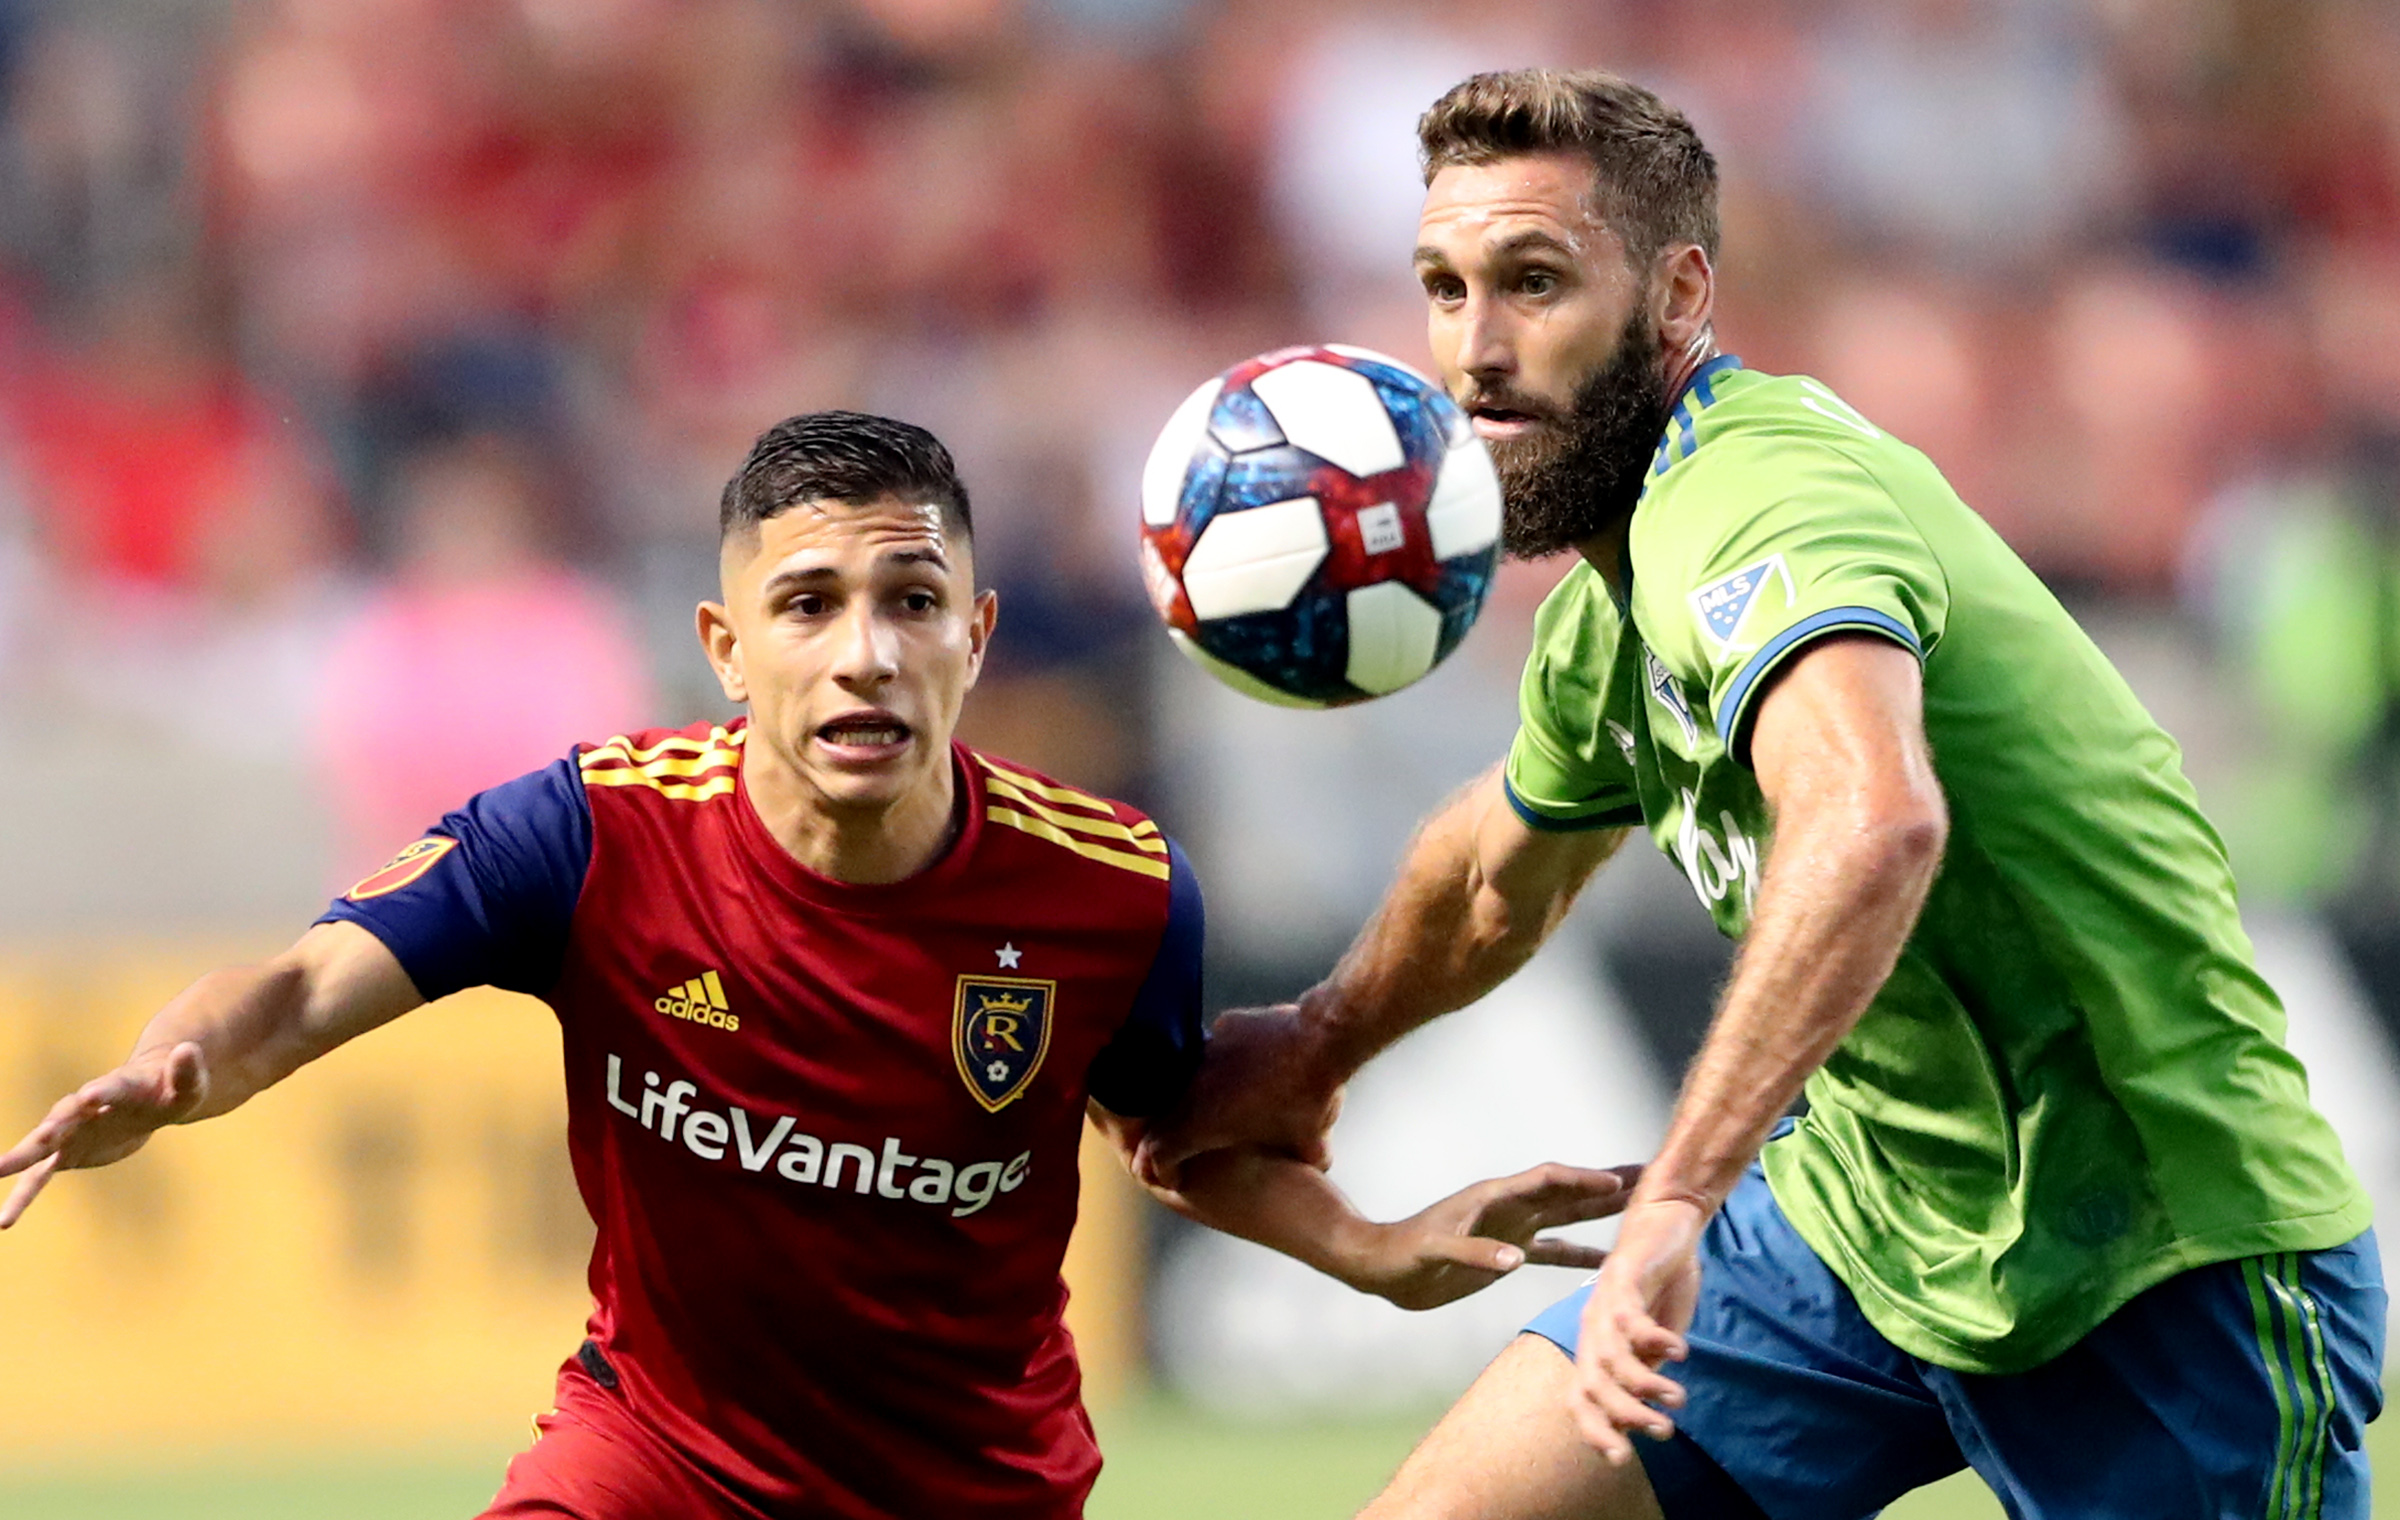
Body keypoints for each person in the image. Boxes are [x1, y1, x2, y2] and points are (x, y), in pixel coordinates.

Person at [0, 411, 1631, 1520]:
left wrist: (1368, 1244)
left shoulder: (1110, 893)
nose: (865, 649)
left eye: (912, 598)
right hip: (657, 1460)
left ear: (975, 636)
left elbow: (1174, 1139)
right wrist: (177, 1073)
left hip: (973, 1488)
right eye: (810, 602)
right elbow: (294, 988)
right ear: (729, 646)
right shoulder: (591, 837)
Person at [1141, 70, 2387, 1520]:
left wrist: (1675, 1194)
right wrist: (1314, 1042)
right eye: (1443, 286)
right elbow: (1493, 876)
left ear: (1677, 296)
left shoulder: (1758, 496)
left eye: (1533, 283)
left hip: (2156, 1263)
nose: (1474, 353)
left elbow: (1875, 821)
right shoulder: (1605, 618)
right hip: (1857, 1227)